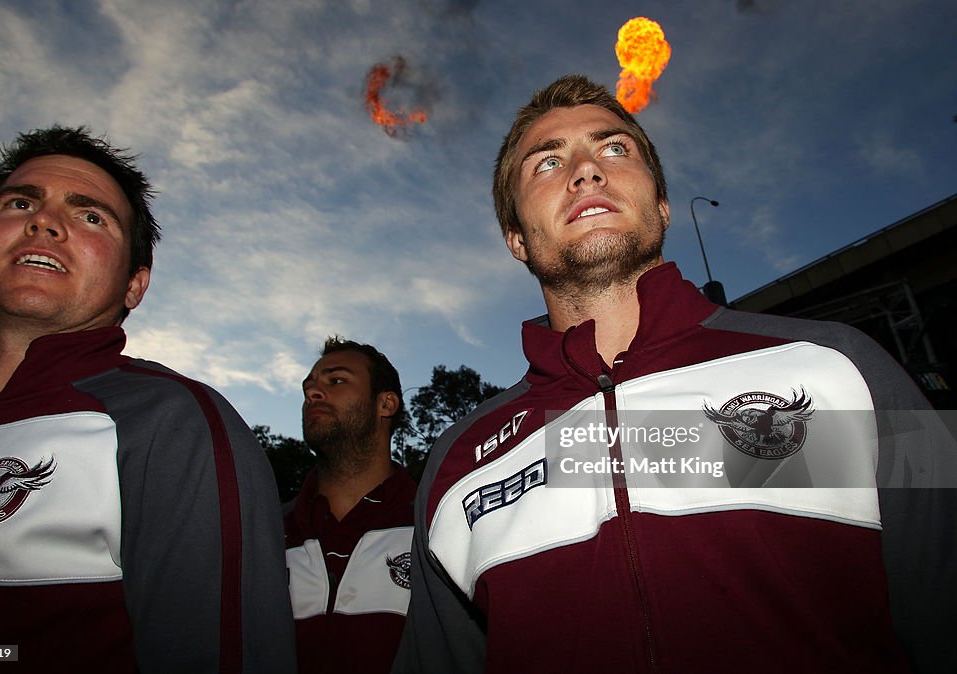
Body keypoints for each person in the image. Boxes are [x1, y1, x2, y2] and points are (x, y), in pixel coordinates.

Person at [395, 75, 955, 673]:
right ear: (516, 239)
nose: (585, 171)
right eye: (547, 163)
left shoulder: (846, 366)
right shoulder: (457, 465)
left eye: (614, 149)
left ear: (662, 206)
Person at [0, 126, 295, 672]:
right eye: (21, 202)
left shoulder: (172, 424)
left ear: (134, 285)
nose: (43, 221)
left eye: (90, 216)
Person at [285, 337, 416, 674]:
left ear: (385, 404)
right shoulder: (267, 532)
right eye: (309, 387)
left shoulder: (435, 525)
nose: (313, 393)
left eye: (337, 380)